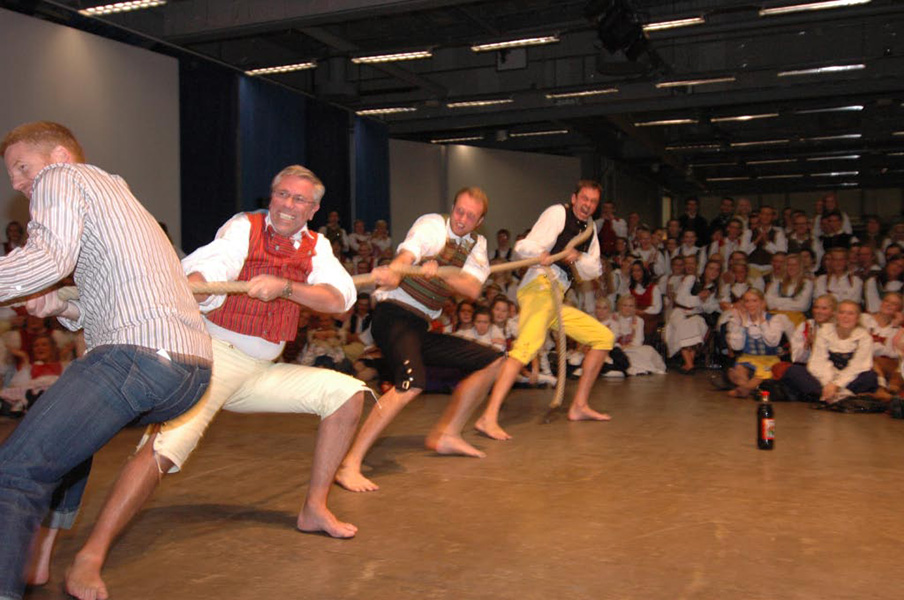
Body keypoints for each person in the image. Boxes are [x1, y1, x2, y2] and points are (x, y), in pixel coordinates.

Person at [56, 165, 374, 600]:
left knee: (348, 394)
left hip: (262, 371)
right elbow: (214, 263)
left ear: (314, 209)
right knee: (164, 449)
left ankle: (314, 508)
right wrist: (199, 285)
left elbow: (338, 298)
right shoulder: (245, 227)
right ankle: (90, 555)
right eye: (282, 194)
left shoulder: (318, 247)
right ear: (272, 196)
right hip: (214, 359)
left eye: (299, 199)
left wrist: (285, 287)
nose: (288, 205)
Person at [0, 121, 212, 600]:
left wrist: (41, 277)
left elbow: (47, 260)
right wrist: (58, 305)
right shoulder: (118, 196)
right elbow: (107, 299)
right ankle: (36, 561)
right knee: (68, 442)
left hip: (137, 359)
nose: (16, 182)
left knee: (13, 473)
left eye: (22, 167)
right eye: (11, 174)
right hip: (185, 372)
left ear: (58, 156)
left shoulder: (62, 177)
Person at [335, 187, 504, 493]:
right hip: (393, 314)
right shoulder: (433, 225)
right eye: (459, 211)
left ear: (480, 222)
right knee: (411, 383)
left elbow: (472, 288)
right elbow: (410, 252)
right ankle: (349, 464)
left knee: (493, 360)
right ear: (453, 207)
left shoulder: (477, 244)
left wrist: (441, 272)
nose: (462, 219)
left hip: (420, 326)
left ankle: (448, 434)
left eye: (470, 216)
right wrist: (397, 270)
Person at [475, 180, 614, 441]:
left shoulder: (590, 230)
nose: (587, 205)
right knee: (526, 348)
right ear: (574, 198)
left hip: (556, 296)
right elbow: (523, 247)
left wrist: (578, 257)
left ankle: (579, 405)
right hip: (539, 286)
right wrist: (542, 252)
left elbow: (593, 270)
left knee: (603, 338)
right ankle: (487, 417)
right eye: (584, 198)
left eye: (593, 201)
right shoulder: (558, 213)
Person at [782, 301, 878, 402]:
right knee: (794, 371)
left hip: (849, 379)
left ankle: (829, 397)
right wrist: (828, 384)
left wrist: (837, 385)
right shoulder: (824, 331)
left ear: (857, 317)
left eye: (850, 314)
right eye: (842, 313)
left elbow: (859, 366)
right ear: (836, 315)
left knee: (870, 377)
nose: (845, 317)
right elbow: (818, 361)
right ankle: (839, 397)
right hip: (824, 379)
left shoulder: (864, 337)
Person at [725, 289, 793, 398]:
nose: (750, 304)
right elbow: (737, 347)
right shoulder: (738, 321)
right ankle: (748, 388)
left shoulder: (774, 319)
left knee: (762, 373)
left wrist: (762, 321)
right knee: (739, 370)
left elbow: (772, 343)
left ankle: (745, 389)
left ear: (762, 303)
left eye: (754, 301)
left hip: (769, 359)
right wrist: (741, 325)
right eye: (747, 301)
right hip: (748, 358)